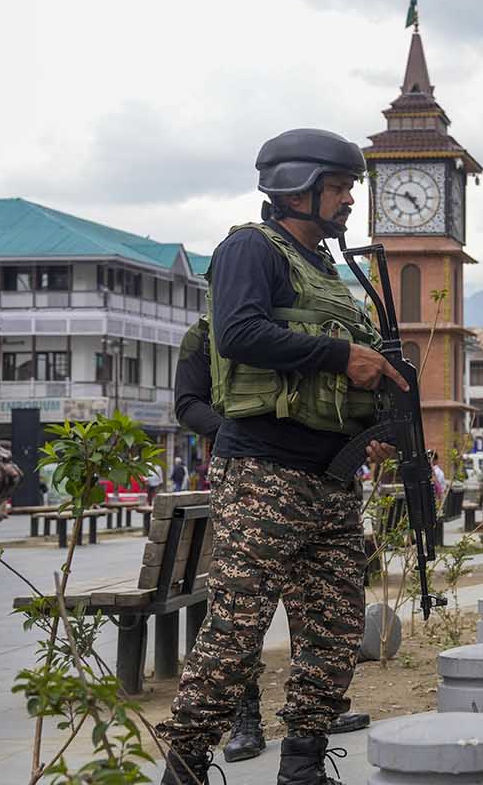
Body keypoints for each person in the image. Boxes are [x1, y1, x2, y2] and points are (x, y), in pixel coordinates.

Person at [155, 128, 402, 785]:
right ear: (299, 185)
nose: (351, 198)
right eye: (340, 185)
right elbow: (237, 333)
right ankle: (184, 768)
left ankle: (303, 767)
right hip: (265, 472)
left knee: (335, 630)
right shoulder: (248, 248)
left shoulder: (325, 269)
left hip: (330, 477)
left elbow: (341, 370)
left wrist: (370, 426)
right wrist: (339, 356)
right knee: (236, 635)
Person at [174, 315, 374, 763]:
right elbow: (187, 403)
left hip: (317, 477)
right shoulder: (208, 333)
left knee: (320, 617)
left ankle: (310, 726)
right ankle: (244, 719)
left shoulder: (294, 321)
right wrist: (233, 430)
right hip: (251, 471)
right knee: (242, 620)